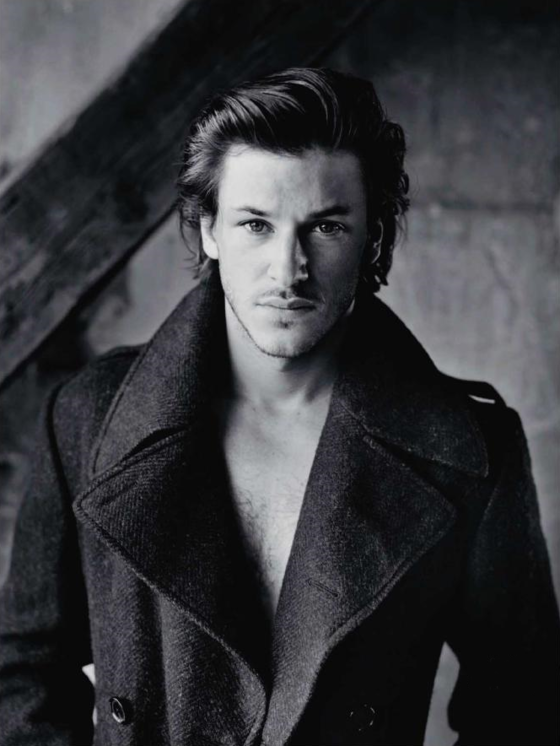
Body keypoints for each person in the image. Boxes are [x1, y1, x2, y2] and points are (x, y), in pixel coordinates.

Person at [0, 67, 558, 746]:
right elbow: (22, 676)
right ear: (209, 230)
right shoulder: (87, 418)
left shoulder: (471, 449)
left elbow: (523, 706)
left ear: (372, 236)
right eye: (256, 225)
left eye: (325, 227)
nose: (288, 269)